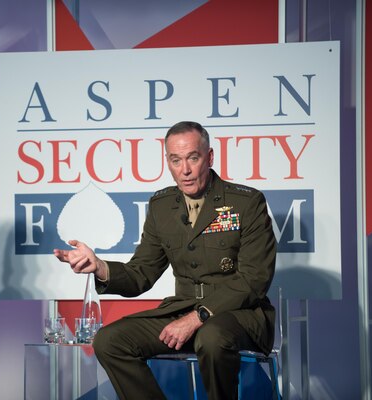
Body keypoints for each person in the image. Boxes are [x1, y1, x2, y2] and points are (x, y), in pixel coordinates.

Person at [54, 121, 276, 400]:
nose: (185, 170)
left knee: (211, 337)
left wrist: (199, 317)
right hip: (184, 310)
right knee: (110, 341)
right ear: (168, 162)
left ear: (209, 158)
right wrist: (100, 267)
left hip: (241, 314)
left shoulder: (246, 203)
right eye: (176, 160)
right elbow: (141, 274)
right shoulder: (161, 206)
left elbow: (253, 280)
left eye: (193, 158)